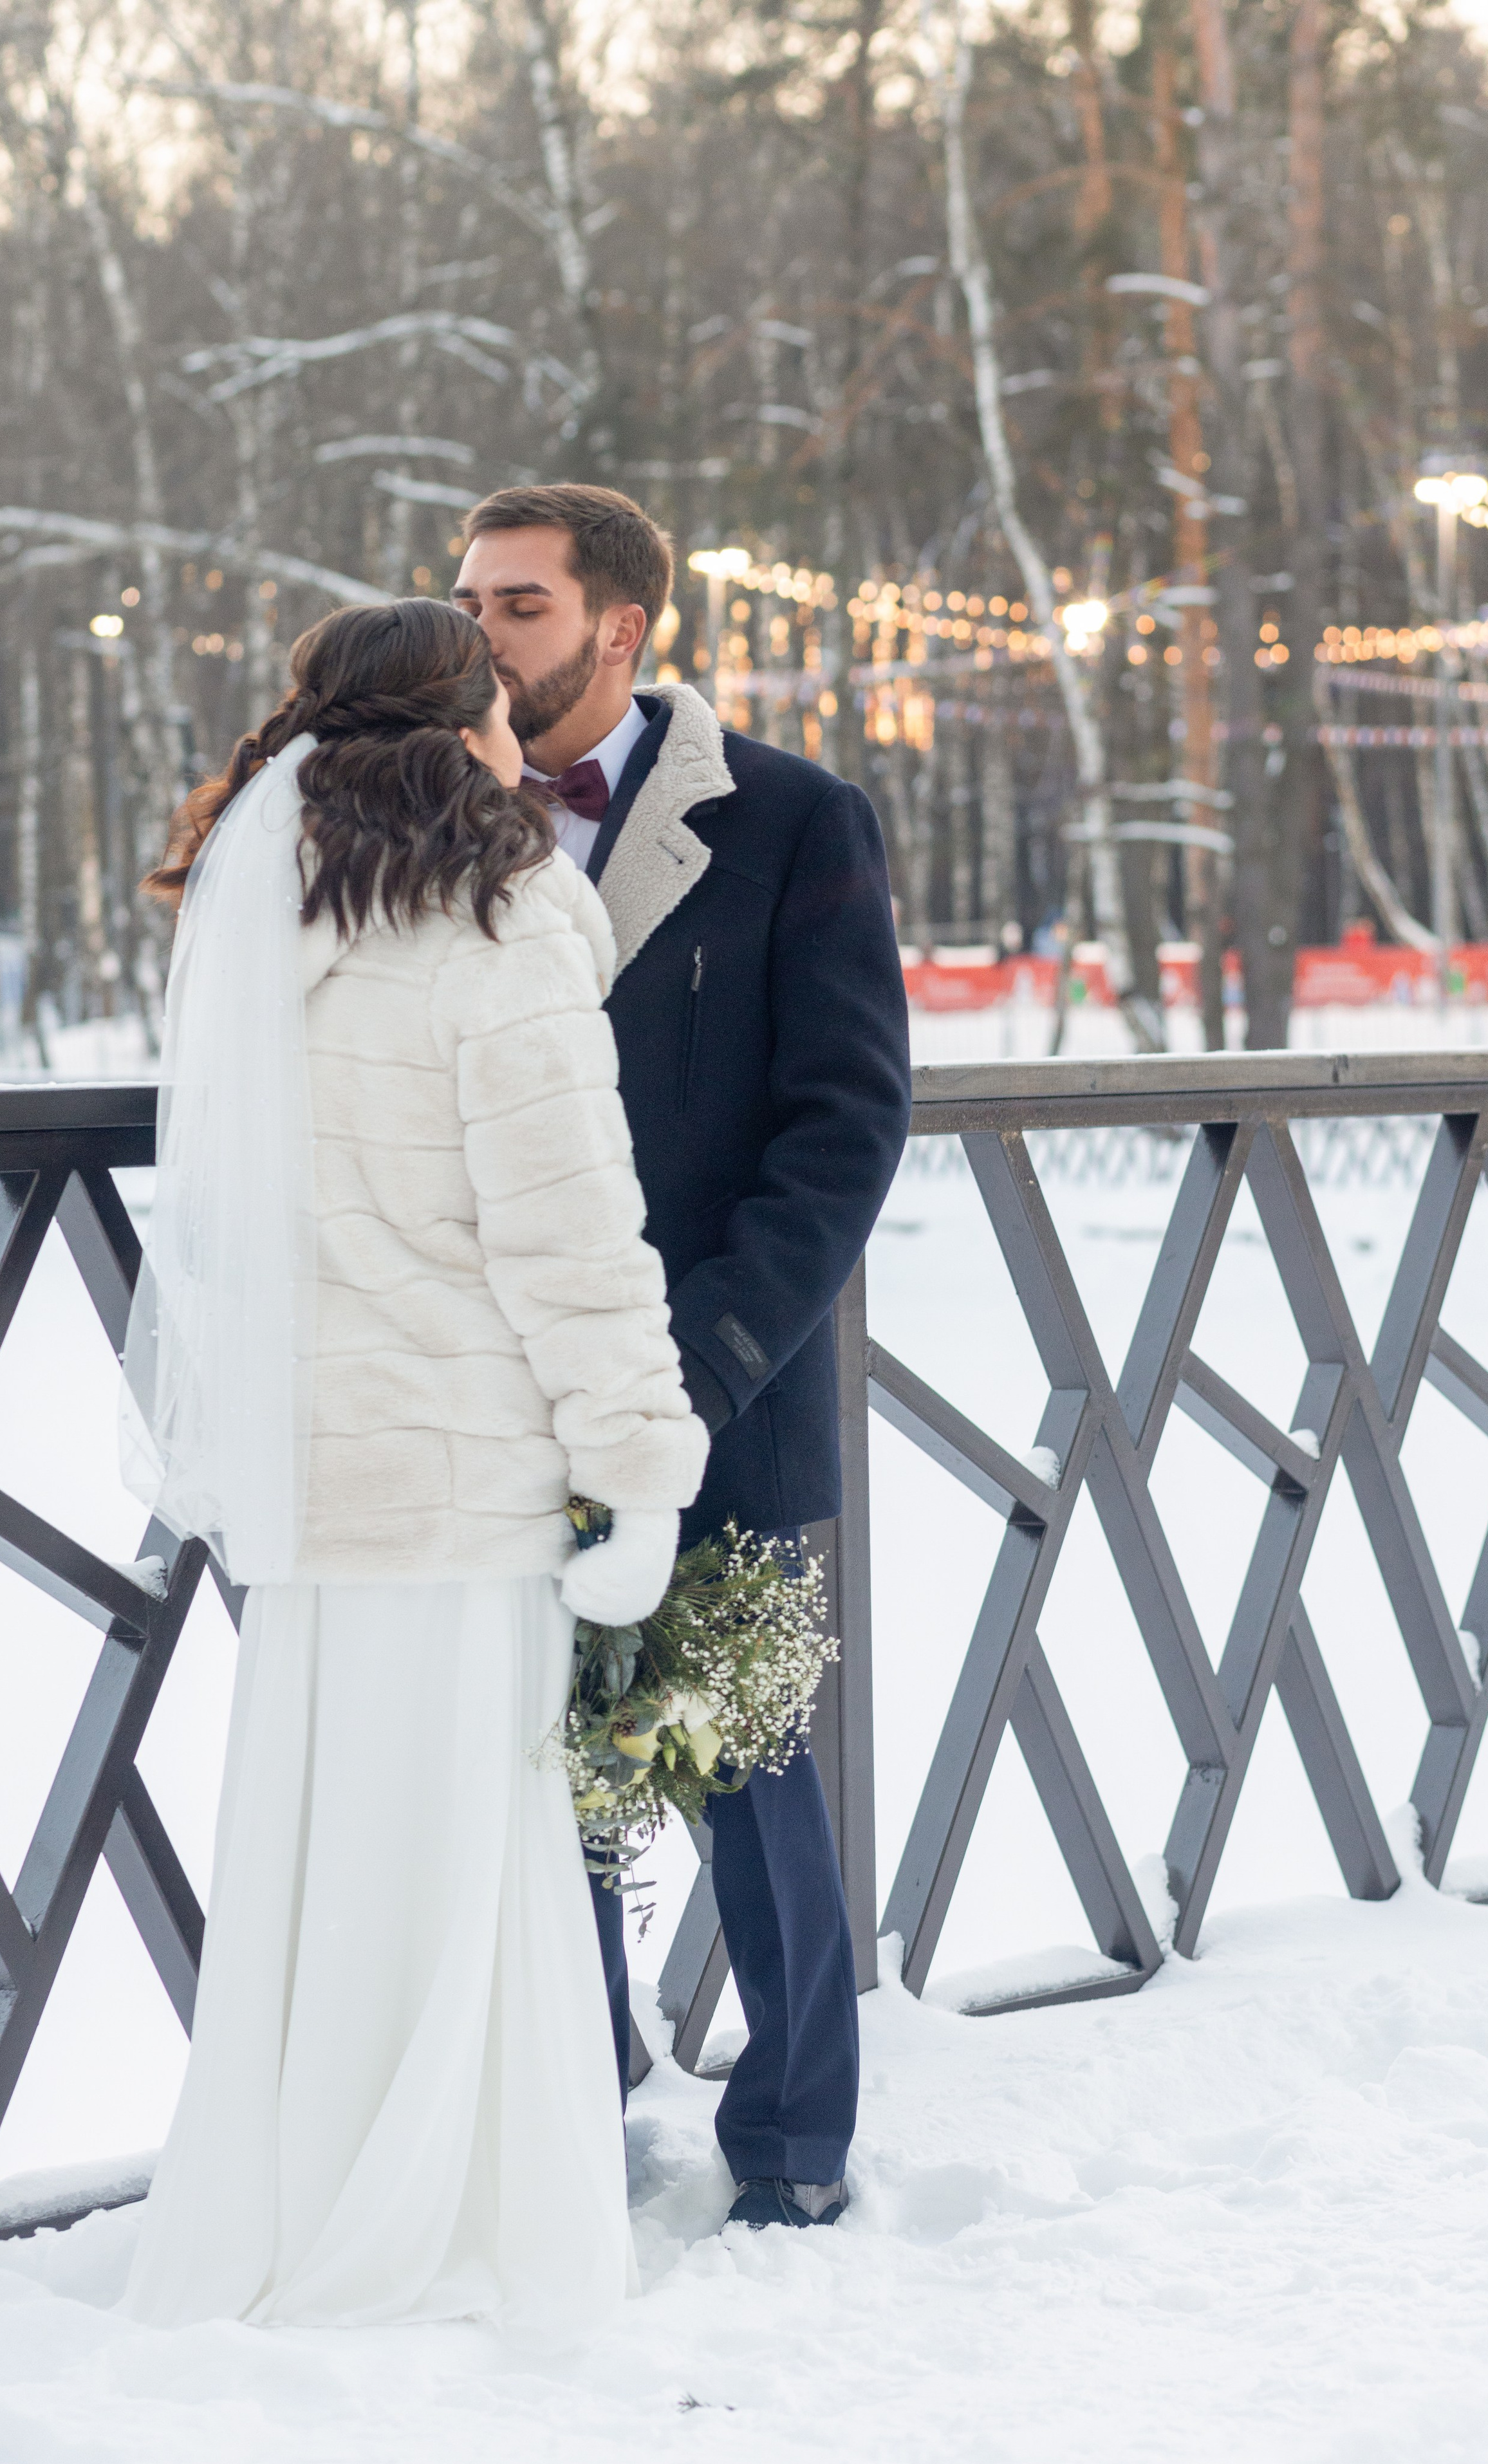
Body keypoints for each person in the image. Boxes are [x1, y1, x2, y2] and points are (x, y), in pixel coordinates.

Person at [118, 597, 707, 2333]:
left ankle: (295, 2205)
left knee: (322, 1854)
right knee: (465, 1860)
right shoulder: (506, 908)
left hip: (312, 1473)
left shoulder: (263, 898)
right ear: (471, 732)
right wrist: (642, 1469)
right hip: (457, 1467)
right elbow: (571, 1234)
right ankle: (452, 2227)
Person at [454, 486, 911, 2232]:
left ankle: (796, 2145)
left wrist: (704, 1357)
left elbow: (846, 1124)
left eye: (517, 606)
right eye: (469, 600)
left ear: (618, 631)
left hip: (724, 1371)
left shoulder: (795, 818)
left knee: (747, 1769)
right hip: (503, 1387)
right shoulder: (436, 818)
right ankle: (581, 2099)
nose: (478, 636)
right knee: (544, 1756)